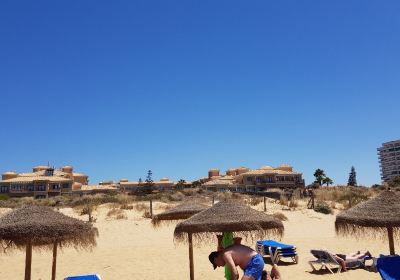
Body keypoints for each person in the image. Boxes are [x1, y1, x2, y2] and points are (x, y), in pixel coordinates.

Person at [208, 244, 282, 280]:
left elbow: (235, 273)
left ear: (216, 258)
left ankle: (272, 275)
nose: (219, 266)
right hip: (254, 263)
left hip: (254, 262)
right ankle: (268, 274)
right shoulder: (226, 252)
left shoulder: (225, 254)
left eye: (216, 264)